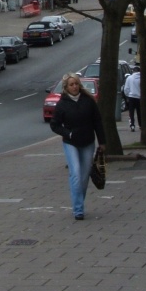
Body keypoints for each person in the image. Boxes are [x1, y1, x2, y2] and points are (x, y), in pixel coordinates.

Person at [50, 72, 106, 220]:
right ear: (66, 87)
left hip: (88, 141)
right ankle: (78, 210)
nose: (74, 87)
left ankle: (79, 200)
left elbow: (97, 122)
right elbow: (54, 125)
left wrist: (102, 142)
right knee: (75, 173)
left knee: (84, 175)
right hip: (71, 143)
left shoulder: (88, 101)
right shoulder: (62, 104)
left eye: (76, 84)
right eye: (71, 85)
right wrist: (68, 133)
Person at [123, 65, 142, 132]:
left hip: (131, 97)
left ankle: (132, 125)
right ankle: (141, 125)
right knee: (140, 112)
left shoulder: (129, 78)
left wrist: (128, 95)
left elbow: (126, 89)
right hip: (140, 98)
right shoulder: (142, 78)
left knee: (131, 112)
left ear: (133, 71)